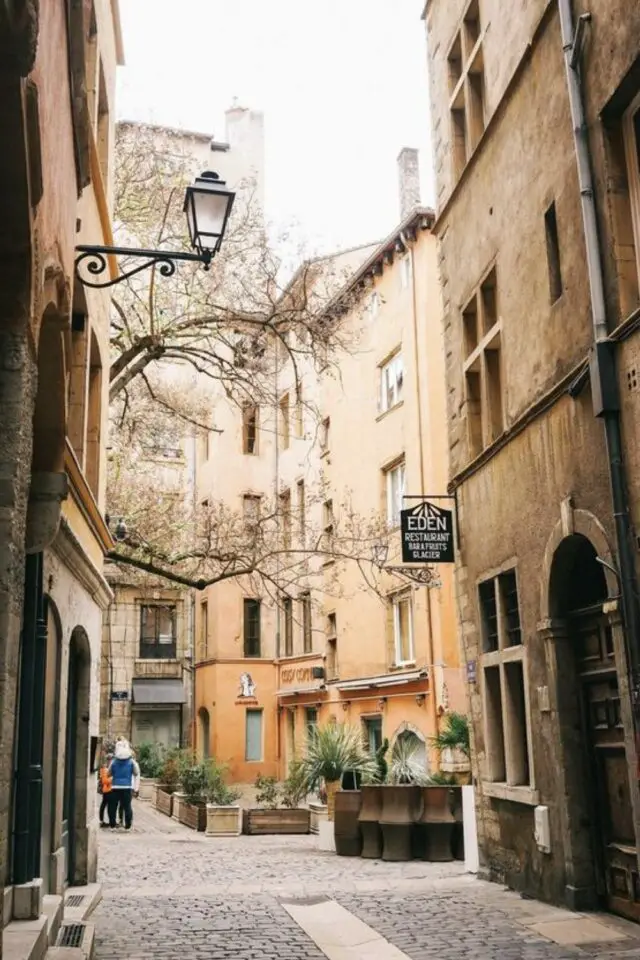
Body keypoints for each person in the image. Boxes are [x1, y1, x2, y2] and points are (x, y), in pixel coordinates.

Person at [108, 739, 140, 830]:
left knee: (112, 806)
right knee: (127, 807)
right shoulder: (131, 762)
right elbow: (136, 772)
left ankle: (112, 825)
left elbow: (108, 774)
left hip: (115, 786)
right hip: (127, 787)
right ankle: (128, 826)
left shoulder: (114, 762)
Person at [98, 753, 113, 827]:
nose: (111, 761)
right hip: (107, 790)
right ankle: (102, 821)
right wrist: (112, 779)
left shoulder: (109, 768)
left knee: (107, 806)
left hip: (110, 790)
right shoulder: (104, 769)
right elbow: (105, 781)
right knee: (105, 806)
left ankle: (108, 821)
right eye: (110, 760)